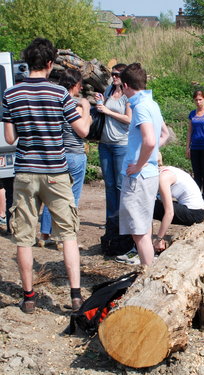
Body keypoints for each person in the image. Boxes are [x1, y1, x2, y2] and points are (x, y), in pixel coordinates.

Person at [2, 38, 91, 313]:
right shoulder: (59, 95)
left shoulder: (11, 95)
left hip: (26, 172)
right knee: (68, 234)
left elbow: (9, 137)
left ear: (27, 62)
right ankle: (75, 296)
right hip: (56, 172)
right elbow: (82, 132)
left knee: (24, 237)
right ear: (50, 64)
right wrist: (86, 110)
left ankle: (28, 298)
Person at [118, 63, 166, 266]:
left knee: (139, 233)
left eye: (121, 87)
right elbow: (164, 134)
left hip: (139, 177)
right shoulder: (152, 104)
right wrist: (149, 156)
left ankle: (149, 275)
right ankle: (150, 274)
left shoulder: (141, 107)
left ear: (126, 85)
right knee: (144, 228)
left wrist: (139, 164)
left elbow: (151, 140)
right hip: (149, 173)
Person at [39, 69, 91, 249]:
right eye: (80, 85)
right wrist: (87, 109)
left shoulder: (54, 103)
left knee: (51, 195)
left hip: (56, 155)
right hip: (74, 155)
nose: (81, 88)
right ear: (75, 85)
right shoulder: (74, 105)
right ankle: (64, 238)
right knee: (71, 197)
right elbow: (83, 130)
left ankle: (44, 234)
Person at [117, 164, 204, 265]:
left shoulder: (163, 178)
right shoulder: (164, 171)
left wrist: (159, 238)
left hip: (195, 213)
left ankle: (144, 250)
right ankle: (142, 246)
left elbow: (169, 212)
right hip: (196, 210)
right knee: (148, 203)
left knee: (146, 206)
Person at [95, 63, 132, 223]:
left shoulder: (127, 95)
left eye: (117, 74)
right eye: (112, 74)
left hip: (121, 144)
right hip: (104, 142)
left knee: (119, 184)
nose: (114, 77)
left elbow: (128, 119)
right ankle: (111, 219)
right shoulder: (109, 90)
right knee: (109, 184)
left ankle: (121, 219)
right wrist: (100, 102)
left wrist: (108, 111)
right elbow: (103, 110)